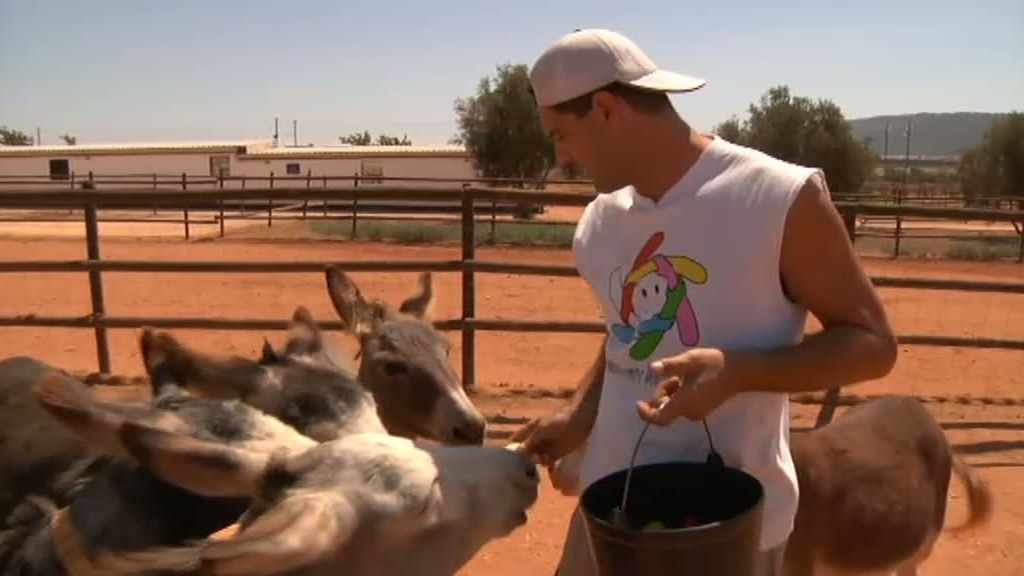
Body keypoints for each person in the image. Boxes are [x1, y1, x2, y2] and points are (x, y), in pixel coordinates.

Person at [510, 28, 898, 575]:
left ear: (605, 109)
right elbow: (627, 335)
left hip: (726, 533)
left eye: (560, 135)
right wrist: (580, 416)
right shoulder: (600, 224)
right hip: (609, 516)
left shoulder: (779, 200)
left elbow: (874, 346)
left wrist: (737, 372)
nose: (561, 157)